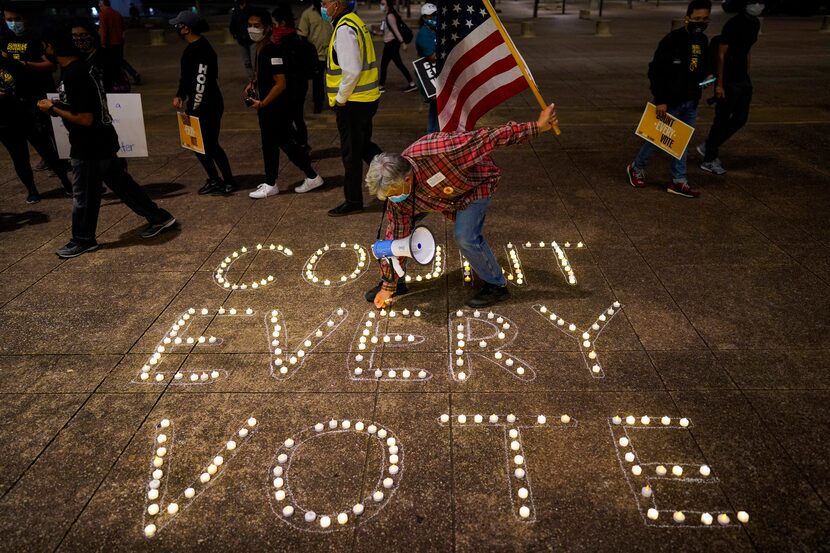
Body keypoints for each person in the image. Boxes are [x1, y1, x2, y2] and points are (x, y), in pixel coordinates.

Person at [365, 104, 559, 309]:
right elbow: (396, 236)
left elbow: (489, 137)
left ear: (406, 179)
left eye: (393, 193)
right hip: (438, 197)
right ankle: (397, 282)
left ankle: (496, 285)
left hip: (474, 185)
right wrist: (388, 284)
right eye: (388, 197)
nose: (393, 199)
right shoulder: (398, 198)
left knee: (465, 236)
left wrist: (537, 126)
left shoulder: (439, 150)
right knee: (396, 236)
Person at [37, 28, 175, 258]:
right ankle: (159, 217)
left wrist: (52, 108)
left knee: (84, 196)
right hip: (101, 141)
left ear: (55, 47)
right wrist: (58, 109)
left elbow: (86, 118)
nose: (44, 52)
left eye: (46, 46)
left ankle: (83, 239)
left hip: (89, 145)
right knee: (122, 184)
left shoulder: (74, 74)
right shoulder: (79, 69)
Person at [626, 0, 712, 198]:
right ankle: (636, 167)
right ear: (687, 18)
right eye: (697, 18)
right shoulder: (672, 40)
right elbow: (655, 70)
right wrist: (661, 99)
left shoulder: (702, 41)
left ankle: (678, 181)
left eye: (705, 18)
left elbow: (700, 67)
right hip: (671, 101)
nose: (701, 22)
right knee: (658, 139)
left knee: (680, 141)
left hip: (691, 100)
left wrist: (706, 77)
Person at [245, 8, 323, 199]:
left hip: (275, 108)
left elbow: (281, 84)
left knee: (273, 145)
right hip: (270, 108)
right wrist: (253, 84)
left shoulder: (272, 50)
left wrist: (263, 103)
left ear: (268, 28)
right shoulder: (260, 49)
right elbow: (265, 77)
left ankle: (272, 184)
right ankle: (311, 177)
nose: (252, 29)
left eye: (257, 26)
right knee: (285, 144)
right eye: (250, 26)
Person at [1, 4, 73, 201]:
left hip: (36, 100)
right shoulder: (4, 40)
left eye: (16, 19)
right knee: (18, 154)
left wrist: (24, 64)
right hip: (9, 107)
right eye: (9, 19)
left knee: (47, 146)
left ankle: (66, 181)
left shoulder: (35, 38)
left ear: (25, 18)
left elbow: (51, 65)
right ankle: (32, 190)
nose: (13, 23)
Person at [323, 0, 382, 216]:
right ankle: (395, 177)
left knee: (351, 154)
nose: (322, 6)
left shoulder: (344, 28)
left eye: (325, 2)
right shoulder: (355, 22)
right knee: (364, 147)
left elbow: (352, 70)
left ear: (337, 4)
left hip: (353, 103)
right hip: (365, 99)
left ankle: (353, 200)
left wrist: (340, 98)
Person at [170, 10, 238, 195]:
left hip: (209, 104)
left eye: (178, 25)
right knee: (197, 144)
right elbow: (186, 77)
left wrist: (194, 108)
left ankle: (229, 180)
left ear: (186, 28)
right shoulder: (190, 49)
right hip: (198, 103)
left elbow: (201, 82)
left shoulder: (202, 50)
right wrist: (180, 95)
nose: (176, 29)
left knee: (211, 144)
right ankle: (214, 179)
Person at [698, 1, 763, 175]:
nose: (758, 6)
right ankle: (709, 159)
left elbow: (748, 49)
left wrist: (746, 72)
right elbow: (721, 54)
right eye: (754, 2)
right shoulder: (734, 24)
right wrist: (719, 84)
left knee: (741, 118)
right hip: (727, 79)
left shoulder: (755, 23)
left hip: (742, 78)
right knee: (722, 118)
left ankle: (710, 144)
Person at [271, 3, 310, 151]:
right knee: (296, 117)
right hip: (298, 85)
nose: (273, 28)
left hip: (293, 87)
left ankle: (301, 144)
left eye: (275, 24)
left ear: (283, 23)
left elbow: (288, 67)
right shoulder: (295, 37)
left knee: (288, 118)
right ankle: (302, 143)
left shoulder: (286, 42)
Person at [72, 19, 130, 93]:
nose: (79, 39)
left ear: (92, 35)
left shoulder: (107, 57)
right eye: (75, 36)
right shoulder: (73, 58)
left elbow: (123, 86)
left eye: (83, 35)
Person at [297, 0, 332, 114]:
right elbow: (302, 36)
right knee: (317, 81)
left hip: (332, 53)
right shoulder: (307, 14)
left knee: (334, 79)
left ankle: (335, 102)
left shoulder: (330, 11)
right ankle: (318, 104)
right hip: (316, 55)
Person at [373, 0, 415, 93]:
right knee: (394, 64)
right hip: (389, 43)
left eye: (383, 4)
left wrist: (402, 42)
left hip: (391, 44)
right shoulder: (388, 15)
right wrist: (376, 33)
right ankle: (411, 83)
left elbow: (396, 31)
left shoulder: (390, 16)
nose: (381, 6)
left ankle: (381, 86)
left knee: (387, 65)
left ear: (388, 5)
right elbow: (387, 31)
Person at [98, 0, 140, 85]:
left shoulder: (103, 14)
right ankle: (130, 75)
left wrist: (102, 43)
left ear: (103, 4)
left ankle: (129, 75)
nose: (98, 5)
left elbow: (103, 31)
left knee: (114, 61)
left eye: (99, 3)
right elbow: (123, 28)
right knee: (119, 60)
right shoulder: (117, 13)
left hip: (110, 43)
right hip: (119, 42)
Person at [415, 3, 438, 133]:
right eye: (429, 16)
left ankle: (434, 132)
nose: (433, 18)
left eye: (435, 14)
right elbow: (432, 57)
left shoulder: (435, 30)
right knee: (436, 104)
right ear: (423, 18)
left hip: (437, 72)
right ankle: (432, 132)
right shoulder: (424, 34)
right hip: (429, 73)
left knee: (437, 106)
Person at [229, 0, 255, 81]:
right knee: (247, 62)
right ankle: (252, 79)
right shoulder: (236, 10)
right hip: (241, 40)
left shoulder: (251, 9)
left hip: (252, 40)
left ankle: (258, 78)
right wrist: (234, 33)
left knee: (255, 61)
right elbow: (233, 23)